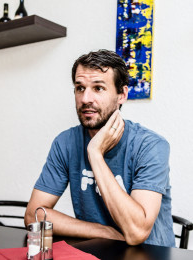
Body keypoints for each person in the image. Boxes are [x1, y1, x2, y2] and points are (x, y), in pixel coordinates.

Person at [24, 49, 175, 247]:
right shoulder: (65, 142)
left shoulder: (151, 146)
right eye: (80, 88)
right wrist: (103, 231)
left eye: (98, 88)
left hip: (149, 254)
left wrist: (95, 154)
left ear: (122, 94)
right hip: (96, 251)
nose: (86, 98)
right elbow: (34, 215)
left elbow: (136, 233)